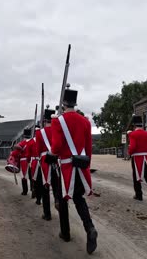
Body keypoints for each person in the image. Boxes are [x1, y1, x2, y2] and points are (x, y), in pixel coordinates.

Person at [50, 87, 98, 255]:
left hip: (66, 168)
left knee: (63, 199)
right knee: (79, 199)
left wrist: (52, 153)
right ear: (75, 103)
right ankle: (90, 228)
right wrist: (86, 163)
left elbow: (56, 147)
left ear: (63, 104)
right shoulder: (85, 121)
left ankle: (65, 233)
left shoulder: (58, 121)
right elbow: (88, 147)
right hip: (81, 165)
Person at [35, 108, 58, 221]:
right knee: (56, 184)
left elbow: (38, 150)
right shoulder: (57, 130)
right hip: (56, 159)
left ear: (44, 120)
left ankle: (47, 214)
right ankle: (58, 201)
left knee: (46, 187)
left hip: (45, 160)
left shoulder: (39, 132)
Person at [13, 128, 32, 195]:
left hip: (24, 161)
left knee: (24, 176)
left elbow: (15, 152)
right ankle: (33, 190)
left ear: (24, 135)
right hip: (33, 161)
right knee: (32, 176)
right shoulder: (32, 141)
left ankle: (25, 191)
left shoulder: (22, 142)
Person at [27, 126, 42, 204]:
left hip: (34, 162)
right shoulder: (43, 139)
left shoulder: (30, 142)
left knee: (34, 179)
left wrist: (28, 160)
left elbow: (28, 155)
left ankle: (36, 195)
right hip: (43, 161)